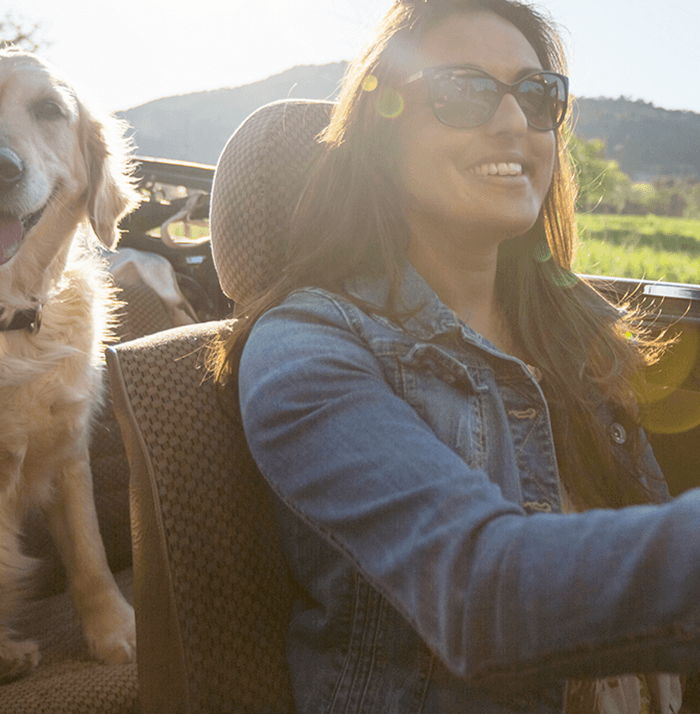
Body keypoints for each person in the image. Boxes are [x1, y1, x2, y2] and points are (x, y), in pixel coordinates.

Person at [210, 0, 699, 711]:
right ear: (383, 134)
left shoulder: (580, 327)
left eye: (538, 95)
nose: (513, 122)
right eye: (464, 92)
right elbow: (482, 596)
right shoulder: (306, 352)